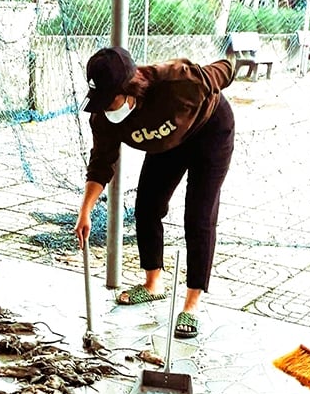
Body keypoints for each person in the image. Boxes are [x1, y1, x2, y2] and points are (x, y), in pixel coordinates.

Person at [74, 47, 235, 339]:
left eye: (111, 101)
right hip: (167, 143)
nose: (107, 109)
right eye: (101, 102)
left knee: (198, 215)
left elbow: (224, 69)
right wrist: (85, 210)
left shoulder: (177, 81)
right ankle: (153, 284)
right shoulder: (102, 118)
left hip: (210, 130)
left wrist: (232, 64)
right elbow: (100, 164)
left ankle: (192, 303)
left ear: (130, 89)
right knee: (147, 206)